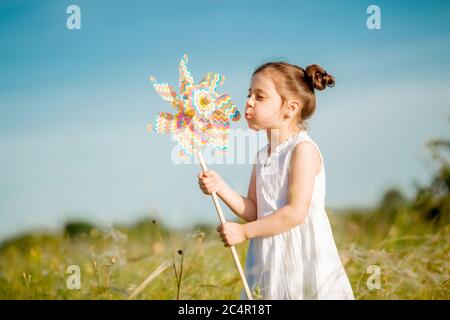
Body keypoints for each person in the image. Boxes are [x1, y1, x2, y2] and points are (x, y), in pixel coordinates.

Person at [198, 61, 354, 299]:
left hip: (299, 256)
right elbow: (256, 211)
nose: (249, 102)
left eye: (260, 97)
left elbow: (294, 213)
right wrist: (220, 188)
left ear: (290, 108)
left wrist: (245, 233)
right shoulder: (262, 156)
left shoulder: (302, 150)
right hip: (269, 258)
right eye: (249, 94)